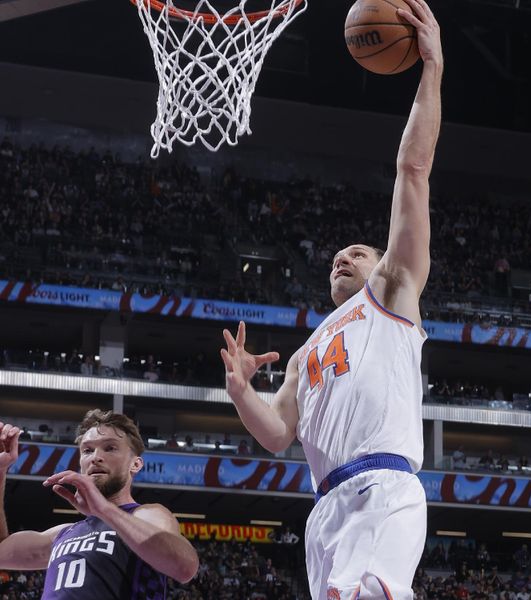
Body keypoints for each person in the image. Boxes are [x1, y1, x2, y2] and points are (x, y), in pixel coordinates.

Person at [219, 2, 443, 598]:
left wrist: (431, 70)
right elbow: (274, 435)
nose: (341, 259)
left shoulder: (392, 293)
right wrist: (242, 391)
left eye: (357, 253)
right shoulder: (304, 354)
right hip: (325, 511)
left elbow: (413, 168)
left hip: (384, 486)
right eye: (336, 258)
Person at [0, 411, 198, 598]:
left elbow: (185, 567)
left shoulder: (147, 514)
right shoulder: (62, 534)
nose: (95, 457)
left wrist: (103, 509)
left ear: (135, 464)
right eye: (87, 450)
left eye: (110, 447)